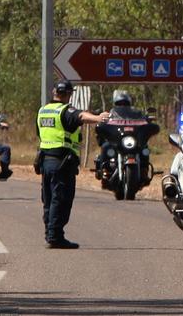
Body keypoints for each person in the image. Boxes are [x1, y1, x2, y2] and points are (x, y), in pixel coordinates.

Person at [36, 80, 110, 249]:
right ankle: (55, 236)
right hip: (62, 163)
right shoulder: (65, 110)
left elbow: (40, 134)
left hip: (46, 161)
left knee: (48, 199)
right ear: (68, 94)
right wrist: (98, 118)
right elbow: (81, 116)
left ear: (55, 92)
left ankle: (50, 232)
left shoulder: (43, 111)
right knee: (60, 199)